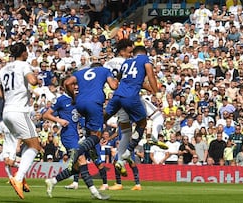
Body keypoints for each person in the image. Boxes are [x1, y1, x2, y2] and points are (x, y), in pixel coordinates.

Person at [44, 69, 115, 200]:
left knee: (76, 168)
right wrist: (59, 120)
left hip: (79, 135)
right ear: (65, 86)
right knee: (82, 161)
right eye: (72, 85)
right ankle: (95, 193)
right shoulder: (61, 100)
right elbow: (46, 114)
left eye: (76, 84)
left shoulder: (80, 99)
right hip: (68, 136)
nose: (76, 86)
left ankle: (53, 181)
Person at [0, 42, 41, 200]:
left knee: (27, 143)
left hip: (7, 112)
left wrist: (6, 96)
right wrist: (37, 79)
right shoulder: (24, 65)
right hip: (20, 111)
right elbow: (32, 81)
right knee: (35, 145)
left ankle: (21, 175)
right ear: (24, 53)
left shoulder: (5, 68)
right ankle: (18, 178)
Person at [104, 45, 159, 176]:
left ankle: (89, 135)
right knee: (142, 124)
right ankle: (128, 152)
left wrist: (147, 88)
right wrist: (156, 93)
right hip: (131, 97)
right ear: (144, 54)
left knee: (103, 117)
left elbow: (121, 81)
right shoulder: (145, 60)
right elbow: (150, 75)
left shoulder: (126, 62)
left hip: (117, 96)